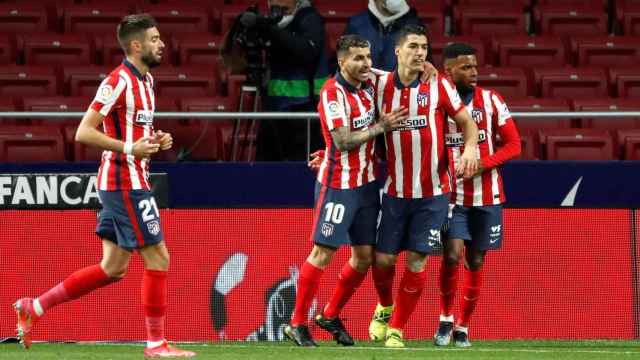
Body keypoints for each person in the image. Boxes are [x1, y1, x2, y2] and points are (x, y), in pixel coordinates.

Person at [12, 14, 195, 358]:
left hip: (129, 178)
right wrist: (130, 148)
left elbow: (131, 131)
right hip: (124, 181)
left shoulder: (148, 81)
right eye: (155, 39)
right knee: (158, 256)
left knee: (113, 267)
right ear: (136, 45)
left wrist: (155, 139)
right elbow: (83, 131)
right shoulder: (118, 81)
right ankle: (156, 344)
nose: (162, 44)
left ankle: (33, 307)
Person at [283, 34, 409, 347]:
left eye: (368, 57)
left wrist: (430, 68)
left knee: (364, 257)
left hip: (367, 186)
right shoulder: (332, 92)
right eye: (358, 58)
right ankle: (297, 323)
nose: (366, 64)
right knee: (322, 253)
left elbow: (406, 71)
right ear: (342, 61)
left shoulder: (371, 80)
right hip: (339, 185)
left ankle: (329, 314)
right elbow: (341, 141)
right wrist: (382, 126)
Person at [367, 24, 479, 348]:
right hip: (395, 192)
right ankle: (385, 306)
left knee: (417, 260)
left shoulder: (439, 84)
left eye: (425, 48)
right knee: (384, 261)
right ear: (397, 51)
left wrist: (470, 148)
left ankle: (397, 329)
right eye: (413, 46)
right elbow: (345, 66)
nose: (420, 53)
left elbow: (467, 124)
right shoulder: (378, 83)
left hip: (433, 194)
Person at [433, 43, 521, 348]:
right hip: (453, 198)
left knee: (476, 258)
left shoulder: (491, 100)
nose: (474, 72)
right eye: (466, 67)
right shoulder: (439, 105)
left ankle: (463, 326)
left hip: (488, 196)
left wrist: (481, 164)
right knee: (452, 255)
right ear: (449, 71)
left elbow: (514, 145)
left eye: (475, 66)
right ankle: (445, 319)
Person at [253, 0, 330, 161]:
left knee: (300, 166)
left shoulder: (310, 19)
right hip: (274, 106)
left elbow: (305, 51)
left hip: (304, 109)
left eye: (284, 9)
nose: (279, 12)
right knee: (269, 164)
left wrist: (273, 30)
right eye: (275, 7)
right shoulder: (271, 24)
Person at [344, 0, 425, 71]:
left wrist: (427, 66)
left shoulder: (415, 24)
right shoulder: (356, 24)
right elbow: (343, 63)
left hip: (400, 87)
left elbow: (425, 64)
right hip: (365, 86)